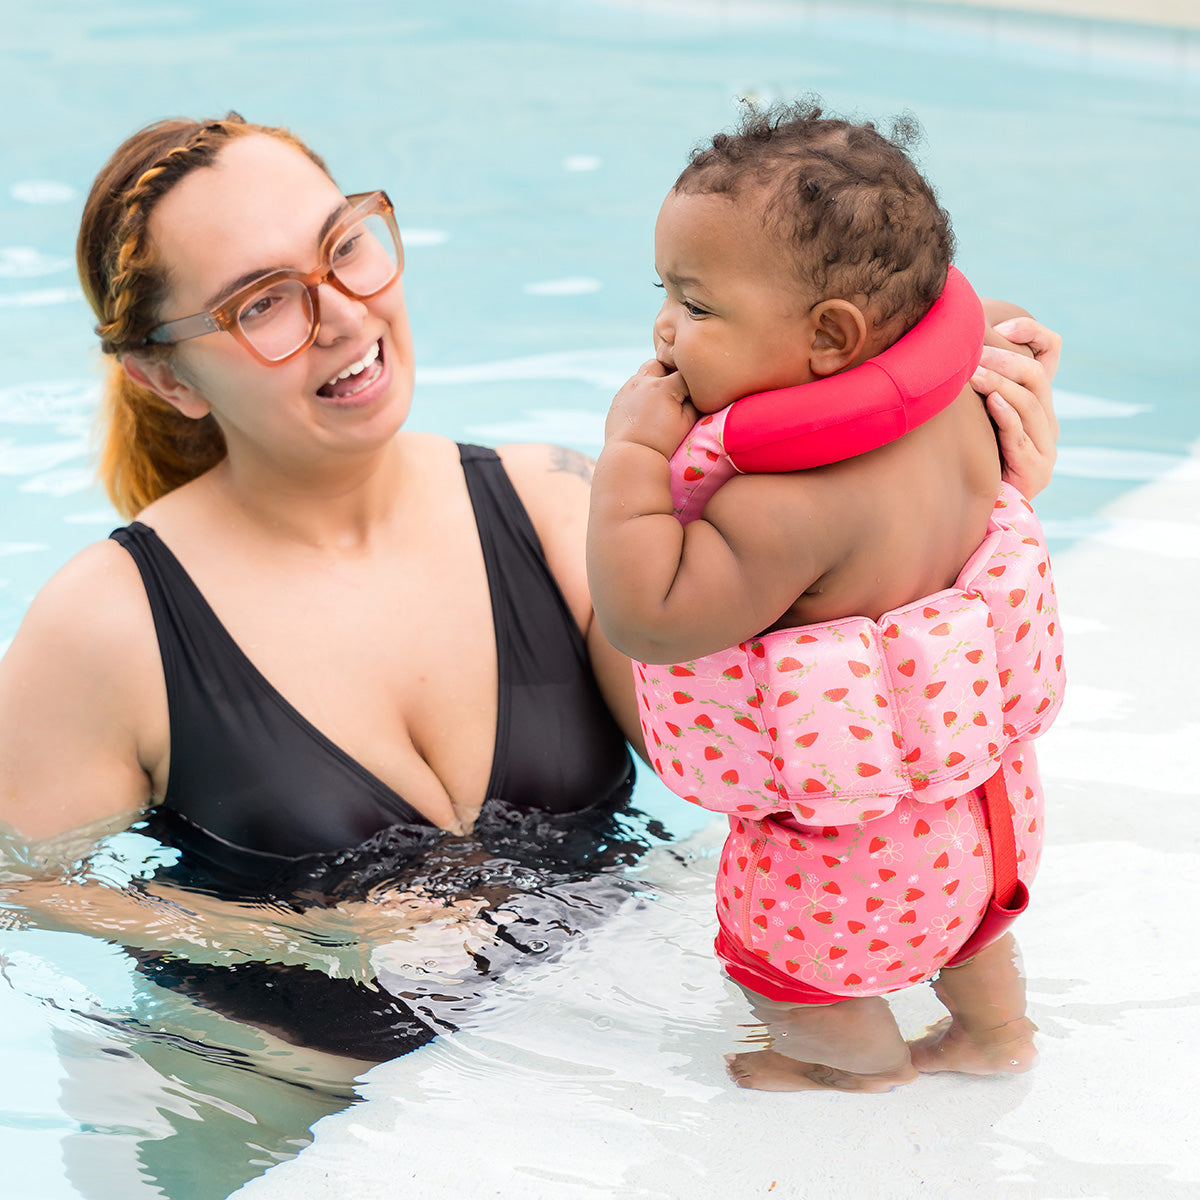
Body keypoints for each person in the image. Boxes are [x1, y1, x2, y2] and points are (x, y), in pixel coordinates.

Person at [0, 112, 1059, 1064]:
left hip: (564, 1080)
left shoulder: (554, 506)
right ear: (168, 377)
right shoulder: (111, 624)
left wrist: (974, 476)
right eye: (263, 302)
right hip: (292, 1129)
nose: (341, 315)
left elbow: (778, 710)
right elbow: (17, 891)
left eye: (346, 248)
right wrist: (309, 938)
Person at [586, 101, 1064, 1093]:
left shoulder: (786, 509)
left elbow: (645, 614)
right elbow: (1020, 331)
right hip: (989, 816)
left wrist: (630, 453)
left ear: (833, 339)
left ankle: (857, 1073)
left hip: (850, 867)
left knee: (793, 980)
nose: (664, 327)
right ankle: (993, 1038)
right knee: (973, 937)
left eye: (699, 305)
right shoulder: (970, 398)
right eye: (665, 294)